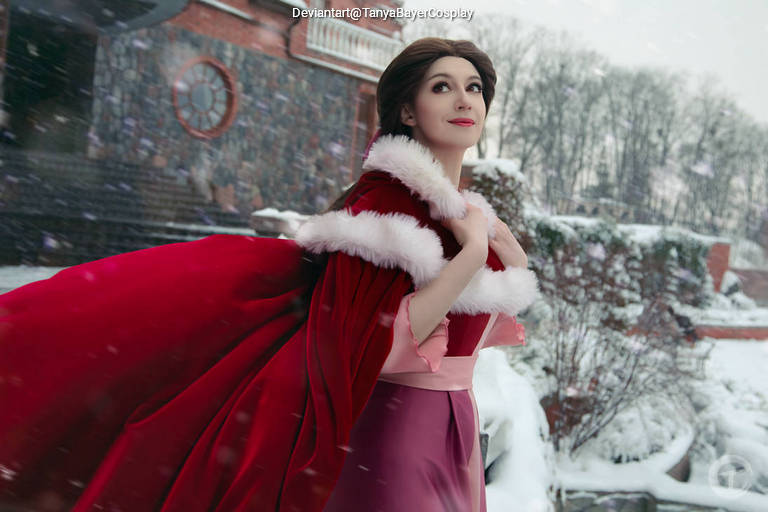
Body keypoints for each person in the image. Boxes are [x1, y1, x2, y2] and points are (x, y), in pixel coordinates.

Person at [0, 38, 538, 512]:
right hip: (395, 438)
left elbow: (467, 340)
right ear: (407, 109)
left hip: (453, 434)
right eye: (442, 86)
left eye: (474, 88)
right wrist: (469, 259)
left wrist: (509, 264)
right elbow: (378, 342)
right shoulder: (387, 206)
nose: (465, 99)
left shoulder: (467, 216)